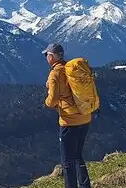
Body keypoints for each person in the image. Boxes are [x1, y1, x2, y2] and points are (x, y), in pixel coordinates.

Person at [44, 43, 92, 188]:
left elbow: (52, 101)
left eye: (47, 55)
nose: (46, 57)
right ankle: (85, 185)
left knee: (67, 161)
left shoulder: (55, 74)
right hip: (85, 117)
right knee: (78, 155)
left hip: (69, 121)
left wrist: (46, 101)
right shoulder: (73, 69)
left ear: (52, 57)